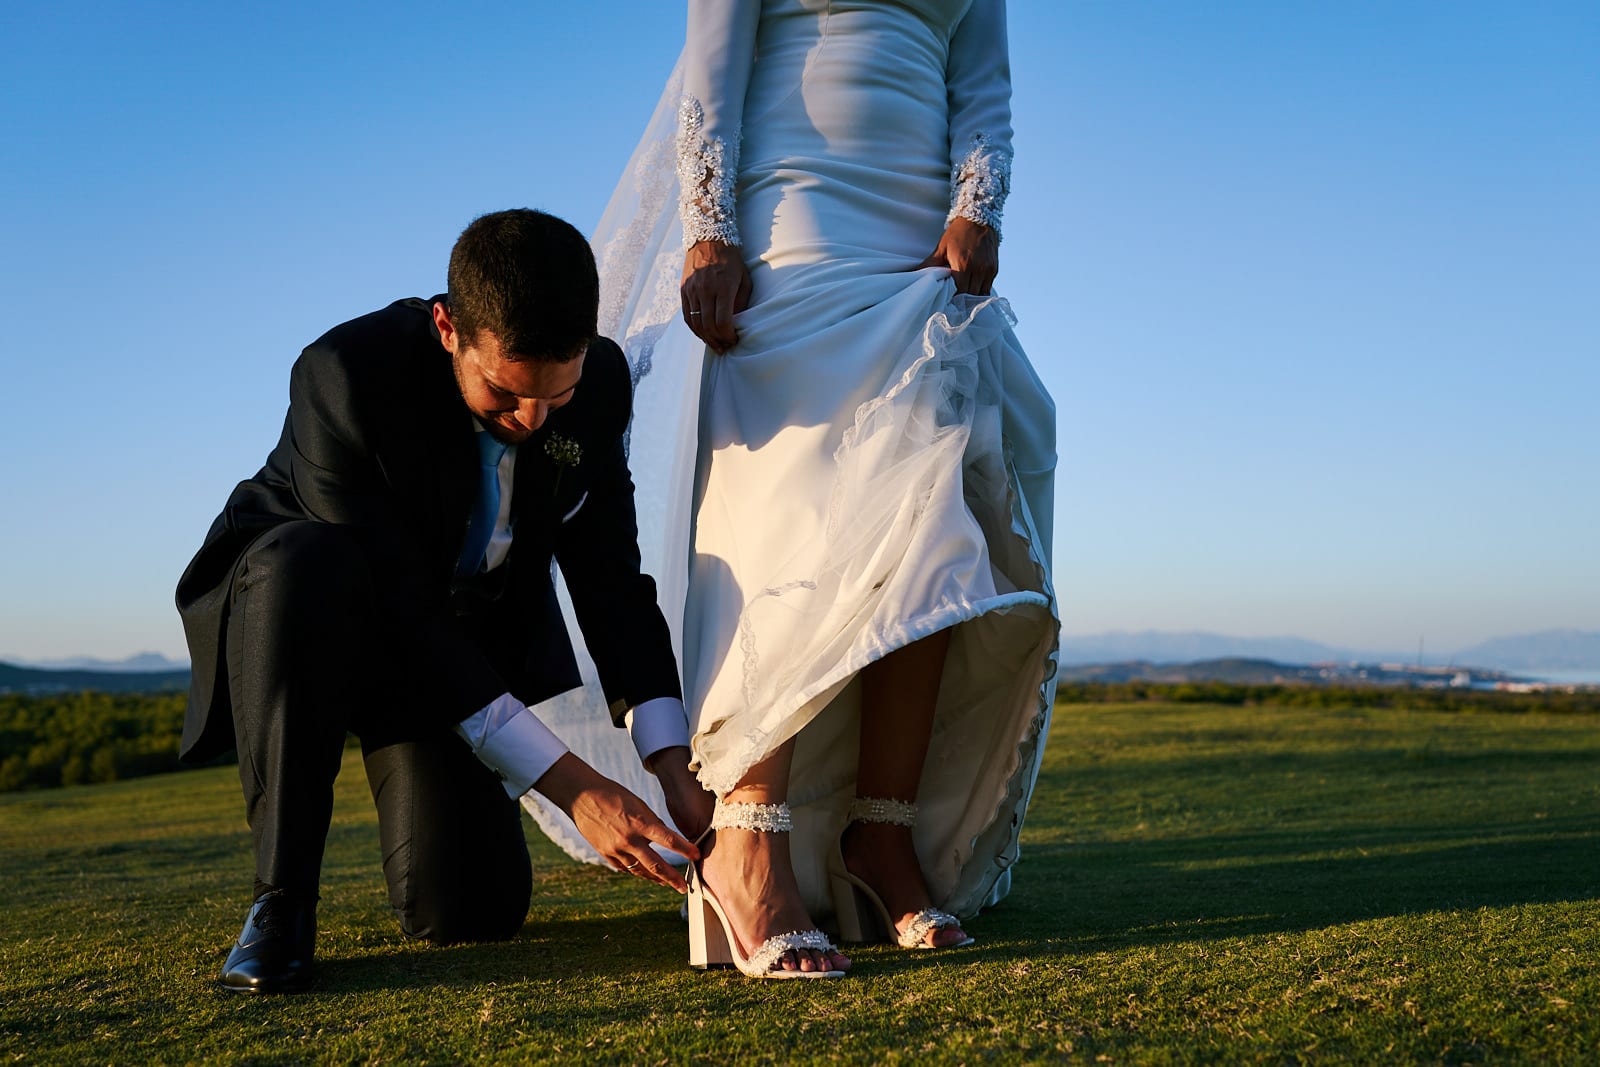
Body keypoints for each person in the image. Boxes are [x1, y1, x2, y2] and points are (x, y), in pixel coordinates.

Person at [584, 0, 1059, 979]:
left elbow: (984, 85)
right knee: (784, 524)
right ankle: (748, 838)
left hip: (918, 242)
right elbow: (710, 69)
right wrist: (708, 228)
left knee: (930, 529)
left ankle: (880, 832)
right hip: (790, 223)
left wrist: (979, 208)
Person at [174, 208, 714, 993]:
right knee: (303, 563)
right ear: (447, 328)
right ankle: (280, 900)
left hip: (447, 654)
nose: (531, 422)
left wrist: (673, 764)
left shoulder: (593, 392)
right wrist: (570, 785)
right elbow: (398, 603)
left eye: (553, 399)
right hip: (312, 620)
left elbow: (612, 580)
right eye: (505, 394)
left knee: (471, 908)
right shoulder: (345, 376)